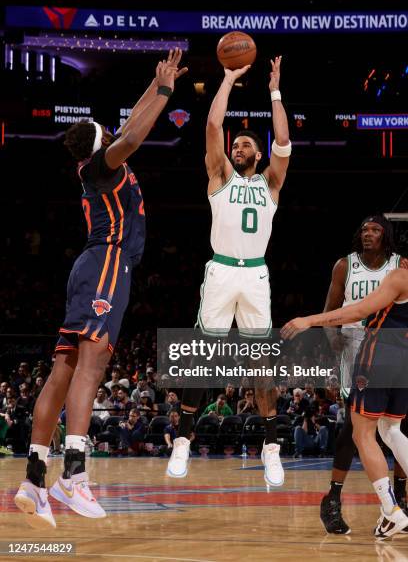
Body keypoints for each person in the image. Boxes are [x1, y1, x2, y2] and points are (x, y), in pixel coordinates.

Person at [14, 49, 187, 529]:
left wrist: (158, 82)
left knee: (62, 370)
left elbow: (128, 122)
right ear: (101, 144)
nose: (116, 133)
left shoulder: (93, 165)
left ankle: (32, 478)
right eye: (108, 134)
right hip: (108, 263)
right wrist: (168, 93)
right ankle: (73, 474)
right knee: (90, 367)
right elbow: (132, 133)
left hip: (88, 267)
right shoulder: (104, 164)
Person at [167, 56, 291, 487]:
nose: (237, 149)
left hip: (256, 275)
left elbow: (283, 141)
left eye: (245, 146)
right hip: (221, 271)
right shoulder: (219, 176)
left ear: (258, 154)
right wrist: (226, 79)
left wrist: (274, 91)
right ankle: (182, 439)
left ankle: (271, 448)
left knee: (262, 368)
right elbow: (212, 127)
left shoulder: (271, 183)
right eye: (235, 145)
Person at [282, 267, 408, 538]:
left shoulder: (401, 276)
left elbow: (358, 311)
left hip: (380, 353)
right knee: (391, 430)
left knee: (362, 433)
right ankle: (393, 512)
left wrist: (310, 320)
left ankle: (391, 510)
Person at [318, 215, 407, 534]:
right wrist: (334, 358)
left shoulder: (400, 265)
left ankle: (399, 503)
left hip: (389, 350)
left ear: (387, 236)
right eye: (364, 230)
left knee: (395, 429)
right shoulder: (345, 265)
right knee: (352, 431)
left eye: (375, 230)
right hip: (355, 352)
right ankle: (333, 499)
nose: (368, 234)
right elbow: (331, 313)